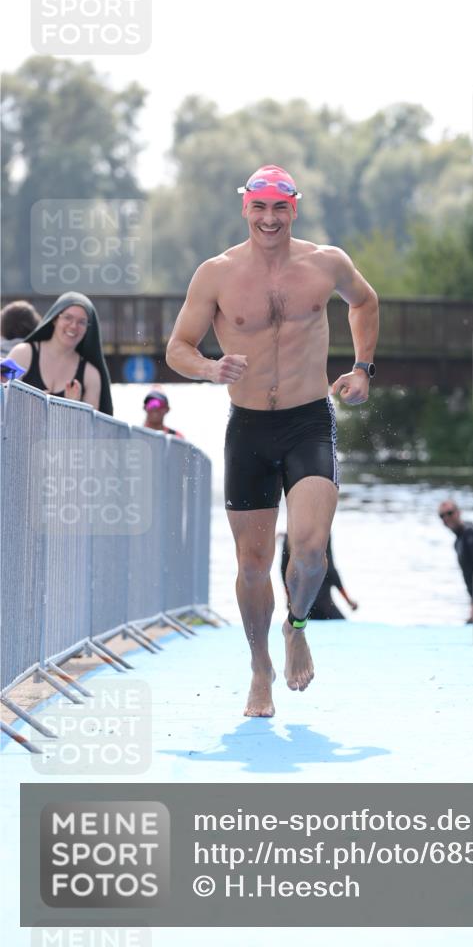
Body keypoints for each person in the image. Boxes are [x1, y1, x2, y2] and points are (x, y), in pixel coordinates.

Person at [165, 164, 379, 716]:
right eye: (259, 207)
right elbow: (178, 348)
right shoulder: (215, 274)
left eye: (279, 208)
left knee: (310, 551)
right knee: (253, 565)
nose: (269, 218)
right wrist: (209, 369)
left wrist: (362, 370)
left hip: (310, 420)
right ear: (246, 210)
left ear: (294, 209)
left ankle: (298, 624)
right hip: (250, 428)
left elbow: (365, 302)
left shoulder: (326, 263)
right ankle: (260, 667)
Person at [7, 291, 113, 415]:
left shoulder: (91, 375)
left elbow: (89, 430)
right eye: (68, 317)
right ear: (55, 319)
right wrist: (29, 405)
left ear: (87, 329)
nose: (74, 326)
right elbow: (2, 395)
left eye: (82, 322)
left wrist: (74, 407)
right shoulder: (22, 353)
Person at [279, 533, 358, 621]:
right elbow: (331, 571)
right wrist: (348, 601)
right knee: (342, 625)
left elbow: (284, 570)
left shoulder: (290, 535)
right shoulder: (323, 531)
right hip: (323, 605)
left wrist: (289, 599)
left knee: (299, 625)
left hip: (300, 607)